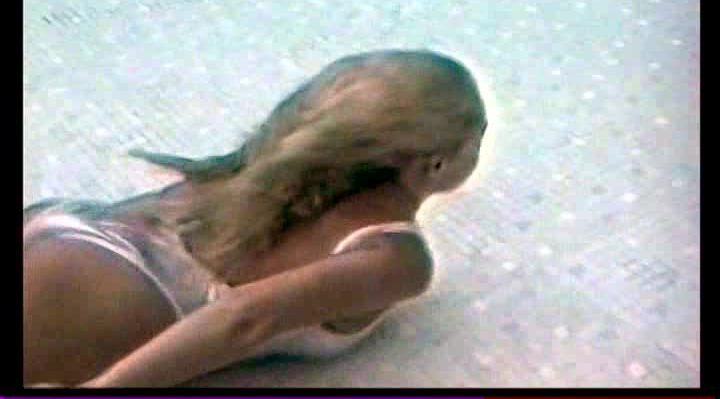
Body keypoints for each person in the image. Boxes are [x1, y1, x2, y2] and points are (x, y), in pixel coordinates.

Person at [23, 49, 488, 387]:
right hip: (118, 290)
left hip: (77, 227)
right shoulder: (396, 258)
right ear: (435, 164)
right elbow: (244, 318)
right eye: (478, 135)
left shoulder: (275, 168)